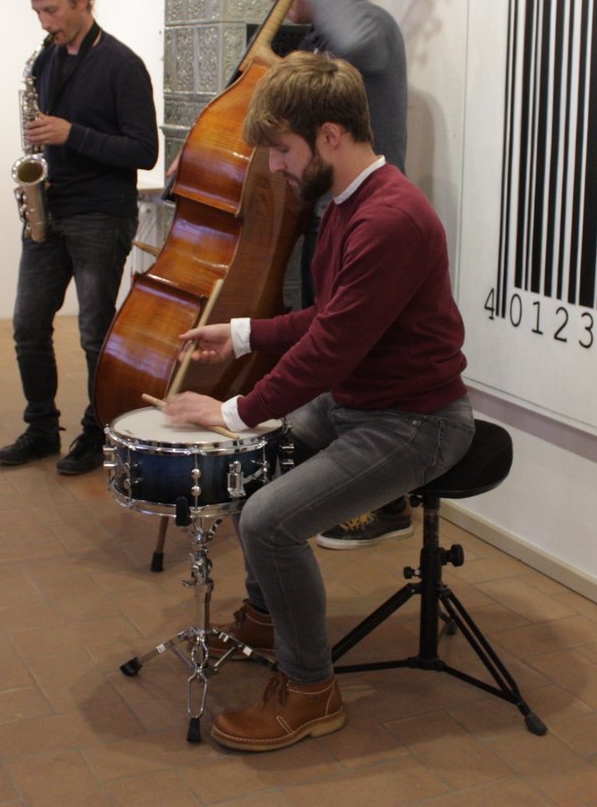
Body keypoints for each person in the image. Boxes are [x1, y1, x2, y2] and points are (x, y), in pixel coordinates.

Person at [163, 52, 474, 753]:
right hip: (361, 402)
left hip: (416, 421)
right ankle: (272, 616)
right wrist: (241, 332)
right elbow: (336, 318)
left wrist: (232, 410)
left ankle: (311, 689)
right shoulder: (348, 203)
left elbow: (331, 346)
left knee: (272, 517)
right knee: (252, 473)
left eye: (281, 149)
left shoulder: (388, 219)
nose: (273, 165)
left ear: (329, 135)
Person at [262, 0, 415, 549]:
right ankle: (327, 486)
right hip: (332, 214)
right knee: (326, 347)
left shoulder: (366, 23)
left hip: (368, 220)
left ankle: (383, 503)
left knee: (360, 359)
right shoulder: (322, 37)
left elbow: (353, 35)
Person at [0, 0, 159, 476]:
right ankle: (42, 427)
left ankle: (97, 431)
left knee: (93, 332)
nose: (45, 23)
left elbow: (145, 151)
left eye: (53, 10)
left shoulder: (121, 64)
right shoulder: (45, 60)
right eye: (39, 12)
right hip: (50, 209)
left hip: (99, 215)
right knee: (27, 326)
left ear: (84, 1)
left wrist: (73, 135)